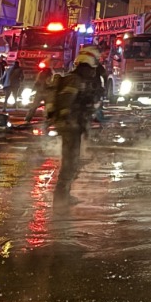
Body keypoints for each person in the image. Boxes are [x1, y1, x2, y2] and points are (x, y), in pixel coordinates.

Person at [46, 58, 89, 200]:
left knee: (71, 161)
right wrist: (69, 121)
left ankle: (64, 194)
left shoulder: (75, 79)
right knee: (70, 161)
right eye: (91, 69)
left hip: (71, 126)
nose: (92, 72)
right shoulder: (74, 80)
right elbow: (66, 102)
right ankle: (61, 196)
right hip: (70, 126)